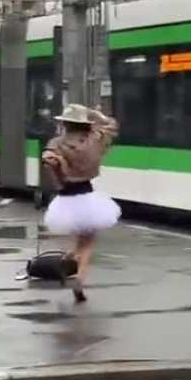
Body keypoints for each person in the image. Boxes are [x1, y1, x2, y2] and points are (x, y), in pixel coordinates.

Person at [42, 103, 121, 303]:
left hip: (65, 199)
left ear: (66, 124)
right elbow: (111, 125)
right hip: (87, 197)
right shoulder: (95, 139)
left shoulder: (57, 143)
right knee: (88, 242)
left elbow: (48, 160)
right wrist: (94, 113)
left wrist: (54, 164)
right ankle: (79, 279)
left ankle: (67, 261)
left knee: (81, 240)